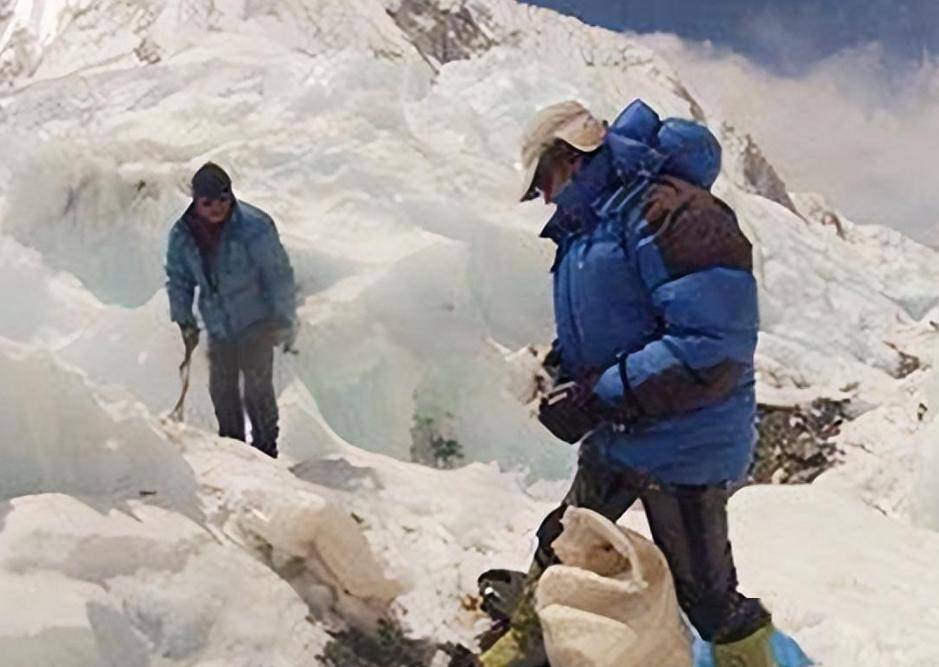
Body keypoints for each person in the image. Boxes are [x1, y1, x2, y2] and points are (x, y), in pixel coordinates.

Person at [474, 101, 809, 667]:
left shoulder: (673, 214)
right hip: (621, 430)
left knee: (707, 599)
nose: (544, 198)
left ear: (572, 156)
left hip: (686, 442)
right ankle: (523, 650)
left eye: (543, 183)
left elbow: (710, 345)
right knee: (562, 545)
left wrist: (594, 396)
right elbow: (617, 325)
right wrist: (560, 368)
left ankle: (751, 659)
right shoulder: (591, 228)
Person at [165, 162, 297, 458]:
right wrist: (183, 321)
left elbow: (277, 274)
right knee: (222, 389)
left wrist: (284, 318)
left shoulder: (255, 227)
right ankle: (235, 451)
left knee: (256, 387)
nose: (216, 208)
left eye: (223, 199)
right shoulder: (183, 235)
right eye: (207, 202)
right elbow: (179, 280)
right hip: (218, 324)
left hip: (257, 321)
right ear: (196, 201)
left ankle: (265, 450)